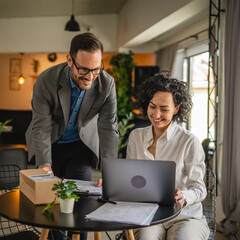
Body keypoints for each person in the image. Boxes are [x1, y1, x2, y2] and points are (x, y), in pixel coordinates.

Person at [25, 32, 119, 240]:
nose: (90, 77)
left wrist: (109, 170)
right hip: (50, 144)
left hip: (80, 146)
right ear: (70, 60)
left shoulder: (107, 84)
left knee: (81, 207)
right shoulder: (46, 81)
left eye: (96, 69)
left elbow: (108, 128)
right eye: (84, 69)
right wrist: (44, 164)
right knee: (53, 207)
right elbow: (40, 126)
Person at [126, 72, 210, 240]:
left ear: (176, 109)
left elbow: (200, 189)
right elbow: (131, 178)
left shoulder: (189, 141)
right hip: (149, 215)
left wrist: (184, 196)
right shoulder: (136, 136)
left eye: (164, 109)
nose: (156, 115)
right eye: (152, 106)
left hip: (185, 216)